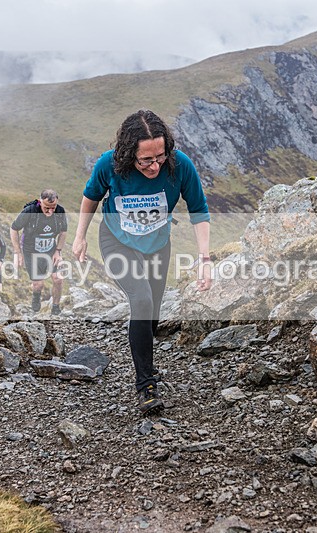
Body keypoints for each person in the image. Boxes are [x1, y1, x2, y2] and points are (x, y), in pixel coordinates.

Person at [72, 109, 212, 416]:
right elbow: (90, 197)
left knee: (151, 317)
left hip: (157, 245)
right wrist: (80, 236)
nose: (154, 165)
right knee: (142, 298)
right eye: (145, 160)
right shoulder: (108, 164)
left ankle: (144, 359)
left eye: (159, 156)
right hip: (116, 241)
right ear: (128, 154)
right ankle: (146, 385)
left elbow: (199, 210)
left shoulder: (180, 166)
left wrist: (205, 258)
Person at [11, 189, 68, 314]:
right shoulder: (30, 211)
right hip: (31, 252)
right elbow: (14, 229)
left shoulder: (60, 211)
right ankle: (36, 297)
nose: (50, 211)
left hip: (50, 250)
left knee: (58, 279)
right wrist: (18, 252)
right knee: (38, 284)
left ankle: (55, 307)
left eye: (53, 207)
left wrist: (58, 251)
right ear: (40, 202)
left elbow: (63, 232)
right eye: (47, 208)